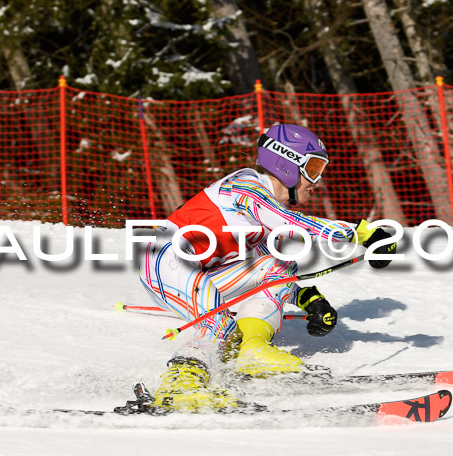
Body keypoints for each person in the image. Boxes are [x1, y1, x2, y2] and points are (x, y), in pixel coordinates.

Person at [137, 124, 396, 412]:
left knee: (280, 263)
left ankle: (254, 351)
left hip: (203, 273)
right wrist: (361, 234)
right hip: (165, 261)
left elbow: (267, 272)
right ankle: (180, 385)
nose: (317, 181)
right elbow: (296, 225)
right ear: (287, 164)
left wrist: (308, 298)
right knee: (218, 324)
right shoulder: (246, 188)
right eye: (313, 167)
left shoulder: (264, 208)